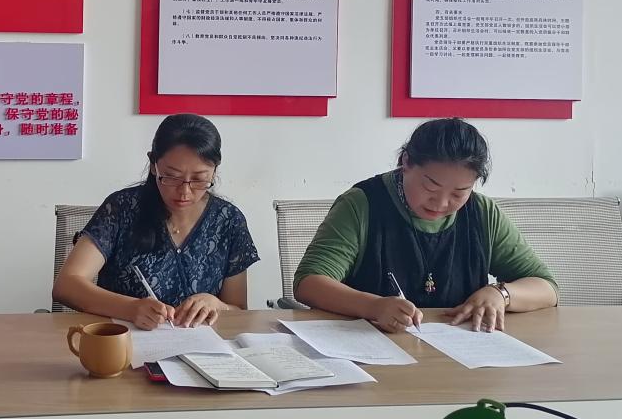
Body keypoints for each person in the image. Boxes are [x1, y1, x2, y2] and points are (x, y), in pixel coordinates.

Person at [294, 117, 557, 333]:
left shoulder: (482, 213)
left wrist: (501, 293)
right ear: (406, 162)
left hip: (460, 354)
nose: (441, 203)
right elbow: (309, 283)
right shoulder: (362, 204)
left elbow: (546, 287)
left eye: (459, 193)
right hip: (372, 347)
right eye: (430, 187)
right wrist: (373, 306)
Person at [53, 113, 259, 330]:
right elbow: (67, 285)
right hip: (123, 341)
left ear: (214, 171)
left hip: (201, 345)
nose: (185, 192)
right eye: (171, 176)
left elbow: (238, 309)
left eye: (199, 179)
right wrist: (130, 308)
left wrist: (217, 305)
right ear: (154, 165)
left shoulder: (229, 220)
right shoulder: (121, 208)